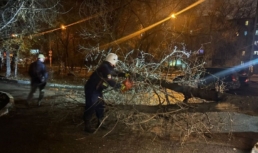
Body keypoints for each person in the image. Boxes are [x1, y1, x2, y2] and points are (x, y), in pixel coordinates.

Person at [83, 53, 132, 133]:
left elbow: (115, 73)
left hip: (97, 90)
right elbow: (110, 81)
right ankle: (87, 125)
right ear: (112, 60)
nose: (116, 63)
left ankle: (100, 122)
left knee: (100, 105)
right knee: (91, 105)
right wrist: (120, 86)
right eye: (115, 61)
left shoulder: (107, 67)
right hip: (92, 89)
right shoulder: (105, 67)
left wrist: (126, 74)